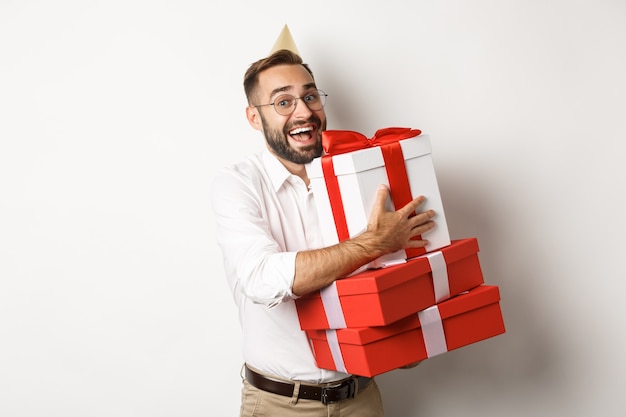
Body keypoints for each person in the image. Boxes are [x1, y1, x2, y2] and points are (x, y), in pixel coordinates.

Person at [211, 45, 436, 416]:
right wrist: (371, 244)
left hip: (361, 396)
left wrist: (410, 335)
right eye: (283, 102)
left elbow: (391, 277)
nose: (304, 112)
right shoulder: (237, 184)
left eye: (310, 96)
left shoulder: (361, 177)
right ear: (254, 117)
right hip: (280, 404)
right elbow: (261, 280)